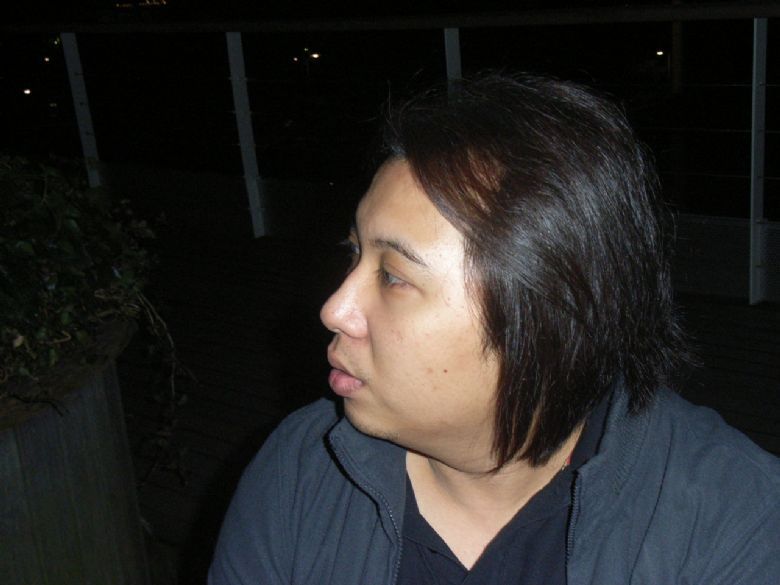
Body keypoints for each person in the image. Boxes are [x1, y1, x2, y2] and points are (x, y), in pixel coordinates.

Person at [208, 73, 780, 584]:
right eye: (354, 253)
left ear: (549, 320)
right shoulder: (302, 465)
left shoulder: (733, 523)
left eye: (394, 277)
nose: (334, 309)